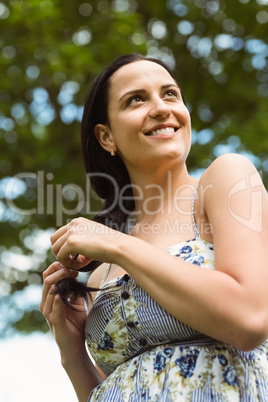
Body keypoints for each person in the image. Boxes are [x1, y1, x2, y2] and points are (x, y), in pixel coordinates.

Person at [40, 53, 268, 401]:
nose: (162, 108)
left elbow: (250, 319)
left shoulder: (226, 179)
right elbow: (113, 389)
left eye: (171, 94)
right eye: (136, 99)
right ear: (106, 137)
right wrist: (72, 354)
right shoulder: (103, 276)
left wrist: (119, 245)